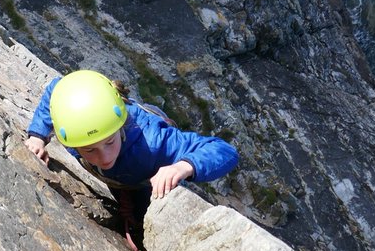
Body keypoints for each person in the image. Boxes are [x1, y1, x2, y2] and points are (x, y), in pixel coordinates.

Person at [23, 69, 238, 210]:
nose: (104, 157)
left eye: (109, 142)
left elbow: (224, 150)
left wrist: (182, 166)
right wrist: (38, 135)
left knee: (142, 215)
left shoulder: (154, 143)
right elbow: (56, 89)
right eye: (90, 150)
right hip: (126, 173)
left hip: (143, 174)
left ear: (121, 128)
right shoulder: (73, 127)